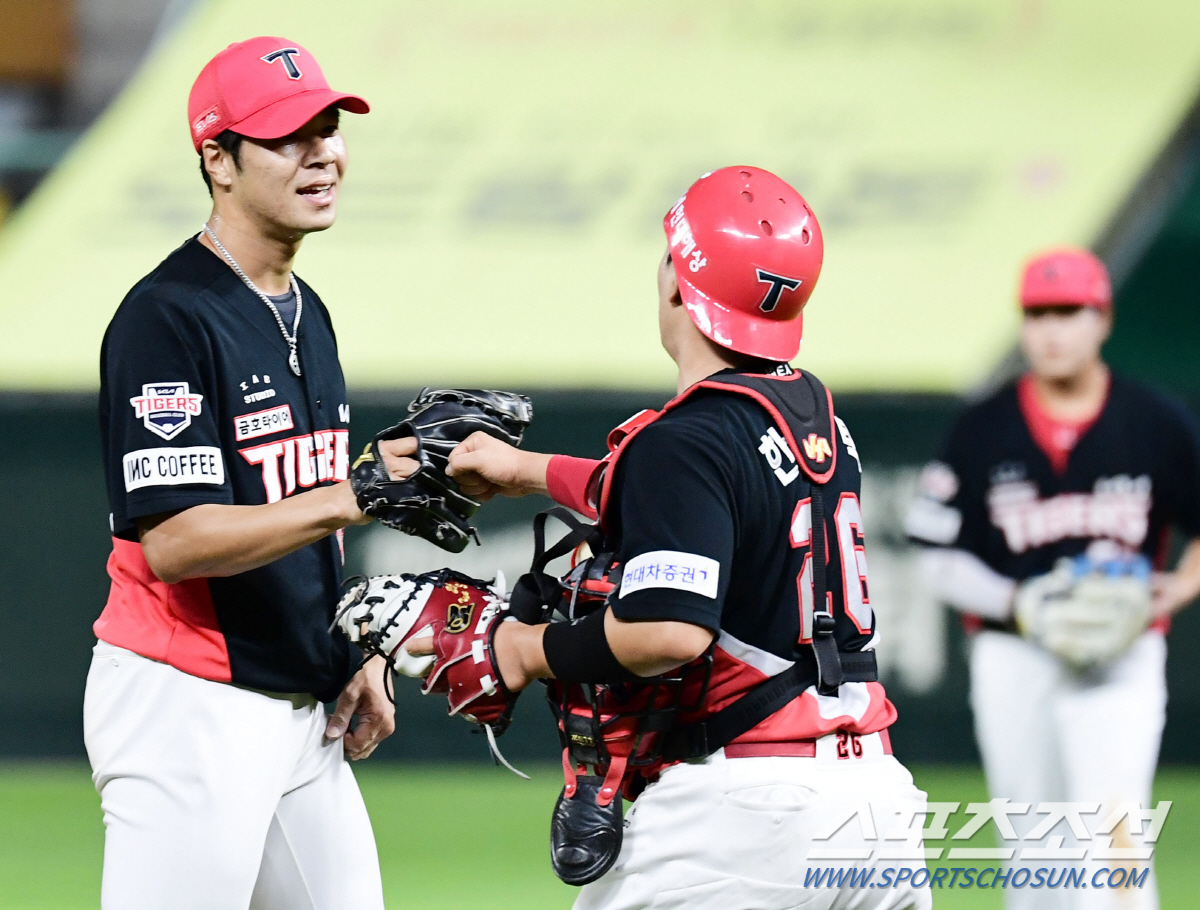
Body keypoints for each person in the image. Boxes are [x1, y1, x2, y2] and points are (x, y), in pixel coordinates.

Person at [432, 166, 932, 910]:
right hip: (878, 806)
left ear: (677, 284)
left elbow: (669, 631)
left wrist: (522, 651)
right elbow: (677, 491)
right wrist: (527, 470)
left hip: (748, 815)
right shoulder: (817, 417)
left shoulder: (688, 440)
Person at [85, 37, 412, 910]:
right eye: (286, 135)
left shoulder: (307, 308)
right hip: (186, 701)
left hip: (299, 710)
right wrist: (358, 490)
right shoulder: (169, 318)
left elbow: (300, 518)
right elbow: (180, 541)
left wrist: (348, 649)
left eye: (329, 127)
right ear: (217, 160)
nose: (322, 152)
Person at [906, 248, 1200, 910]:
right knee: (1034, 849)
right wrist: (1020, 601)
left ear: (1104, 318)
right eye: (1037, 313)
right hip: (1015, 650)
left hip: (1124, 651)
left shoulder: (1155, 423)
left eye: (1069, 311)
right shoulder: (982, 430)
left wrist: (1181, 586)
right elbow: (933, 552)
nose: (1052, 329)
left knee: (1113, 834)